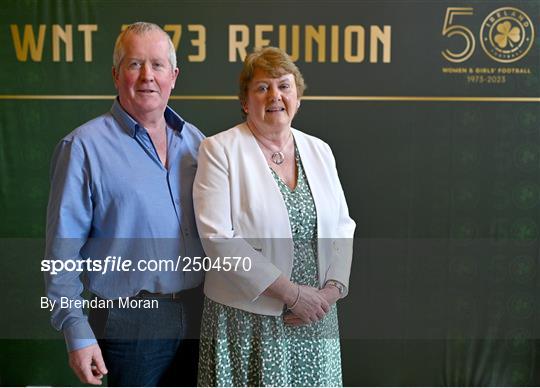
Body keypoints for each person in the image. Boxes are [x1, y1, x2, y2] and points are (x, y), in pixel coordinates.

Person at [44, 22, 205, 386]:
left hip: (200, 314)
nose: (147, 76)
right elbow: (60, 253)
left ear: (174, 76)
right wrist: (77, 331)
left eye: (157, 65)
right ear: (116, 74)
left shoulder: (197, 143)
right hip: (128, 321)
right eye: (134, 64)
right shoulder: (82, 148)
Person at [193, 46, 356, 386]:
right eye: (262, 87)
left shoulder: (319, 150)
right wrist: (293, 295)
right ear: (245, 101)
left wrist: (329, 294)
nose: (275, 95)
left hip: (315, 317)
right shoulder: (219, 149)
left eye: (284, 85)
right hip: (248, 321)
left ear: (298, 96)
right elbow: (218, 239)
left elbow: (343, 225)